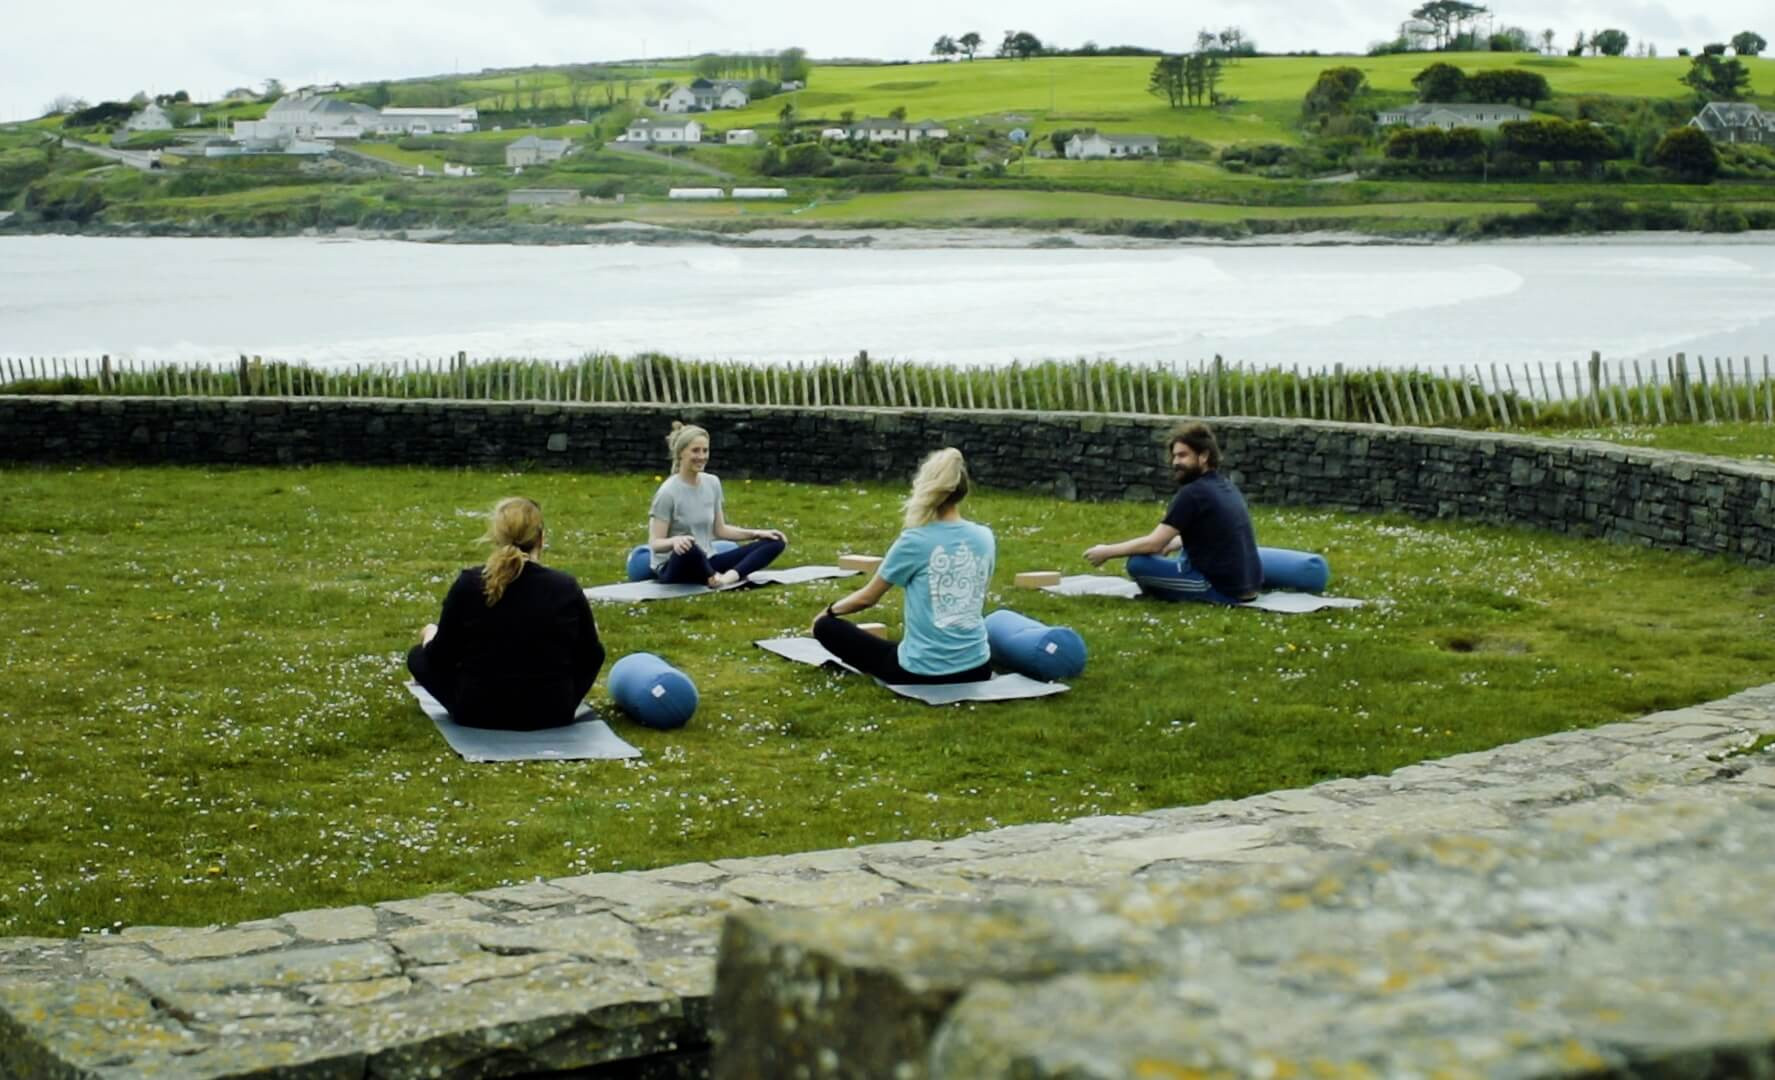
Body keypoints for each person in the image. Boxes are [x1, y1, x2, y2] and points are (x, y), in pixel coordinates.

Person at [407, 496, 605, 730]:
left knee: (417, 656)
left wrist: (430, 636)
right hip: (551, 711)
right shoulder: (564, 587)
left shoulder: (470, 584)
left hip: (477, 710)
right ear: (541, 539)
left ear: (496, 537)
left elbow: (441, 656)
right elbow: (592, 654)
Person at [813, 447, 994, 685]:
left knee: (826, 628)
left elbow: (867, 598)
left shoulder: (915, 541)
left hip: (920, 673)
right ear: (962, 491)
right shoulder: (985, 536)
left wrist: (828, 611)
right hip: (978, 667)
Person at [1083, 421, 1262, 605]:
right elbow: (1211, 533)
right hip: (1248, 585)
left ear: (1204, 456)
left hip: (1220, 590)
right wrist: (1172, 544)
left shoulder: (1192, 493)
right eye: (1174, 456)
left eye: (1183, 455)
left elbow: (1153, 544)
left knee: (1137, 564)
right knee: (1181, 551)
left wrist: (1106, 551)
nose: (1175, 462)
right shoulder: (1225, 485)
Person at [648, 422, 787, 587]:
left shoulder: (712, 482)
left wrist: (757, 533)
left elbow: (720, 530)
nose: (701, 456)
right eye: (695, 451)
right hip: (675, 566)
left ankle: (726, 578)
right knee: (690, 547)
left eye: (705, 451)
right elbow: (655, 544)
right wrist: (675, 541)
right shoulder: (668, 492)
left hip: (708, 559)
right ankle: (711, 576)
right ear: (681, 454)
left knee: (776, 541)